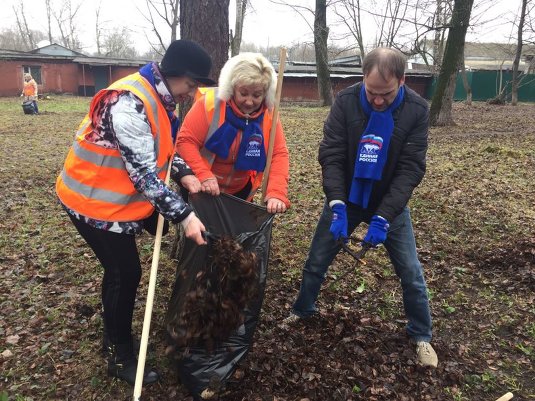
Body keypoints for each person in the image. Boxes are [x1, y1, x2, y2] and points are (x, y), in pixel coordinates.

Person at [55, 39, 215, 386]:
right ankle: (118, 355)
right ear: (175, 75)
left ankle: (114, 340)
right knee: (124, 273)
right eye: (191, 85)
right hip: (92, 201)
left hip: (120, 197)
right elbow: (142, 173)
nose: (192, 94)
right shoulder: (128, 102)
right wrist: (184, 216)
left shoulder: (161, 98)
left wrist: (184, 171)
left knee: (145, 239)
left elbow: (162, 151)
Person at [282, 48, 438, 368]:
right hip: (348, 199)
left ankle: (421, 334)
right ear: (363, 78)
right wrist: (337, 203)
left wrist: (384, 216)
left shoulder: (417, 109)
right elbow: (332, 155)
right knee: (316, 260)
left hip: (388, 204)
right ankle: (302, 310)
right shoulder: (346, 102)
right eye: (372, 92)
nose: (378, 100)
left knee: (410, 272)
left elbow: (410, 168)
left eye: (386, 93)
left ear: (402, 80)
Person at [175, 52, 290, 213]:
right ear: (232, 88)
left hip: (241, 191)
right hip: (202, 186)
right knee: (201, 236)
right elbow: (185, 141)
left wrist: (276, 193)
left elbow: (278, 154)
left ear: (265, 94)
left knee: (231, 237)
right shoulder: (209, 104)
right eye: (243, 93)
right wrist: (204, 175)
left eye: (257, 95)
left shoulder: (270, 114)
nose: (249, 101)